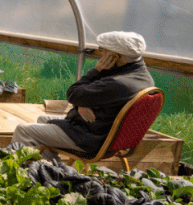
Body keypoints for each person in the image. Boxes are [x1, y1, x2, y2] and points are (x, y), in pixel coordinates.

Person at [11, 32, 155, 158]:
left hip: (91, 138)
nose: (101, 54)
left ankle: (26, 172)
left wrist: (97, 70)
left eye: (103, 50)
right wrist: (81, 103)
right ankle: (52, 168)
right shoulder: (145, 78)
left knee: (23, 130)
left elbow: (73, 93)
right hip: (107, 134)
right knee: (43, 119)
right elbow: (82, 96)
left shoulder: (117, 83)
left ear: (115, 57)